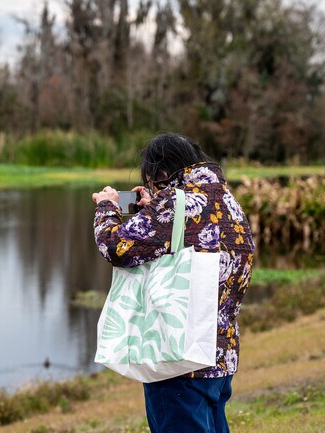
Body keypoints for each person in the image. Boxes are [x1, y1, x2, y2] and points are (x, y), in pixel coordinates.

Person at [91, 132, 255, 433]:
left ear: (163, 173)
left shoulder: (174, 205)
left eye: (153, 180)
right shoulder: (227, 201)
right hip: (219, 358)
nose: (153, 186)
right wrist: (153, 206)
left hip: (177, 359)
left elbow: (114, 246)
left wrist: (107, 207)